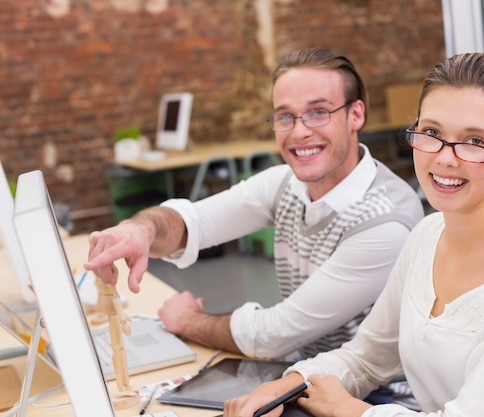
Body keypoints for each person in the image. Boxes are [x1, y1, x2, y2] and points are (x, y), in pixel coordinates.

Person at [224, 52, 484, 417]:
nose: (445, 158)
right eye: (432, 133)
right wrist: (287, 384)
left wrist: (352, 411)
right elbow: (366, 357)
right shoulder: (426, 235)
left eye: (473, 141)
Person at [84, 47, 424, 361]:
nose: (299, 131)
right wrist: (140, 229)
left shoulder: (383, 221)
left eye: (318, 112)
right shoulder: (284, 184)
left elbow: (275, 335)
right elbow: (194, 223)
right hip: (304, 377)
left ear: (356, 115)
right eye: (285, 117)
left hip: (371, 400)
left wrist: (188, 321)